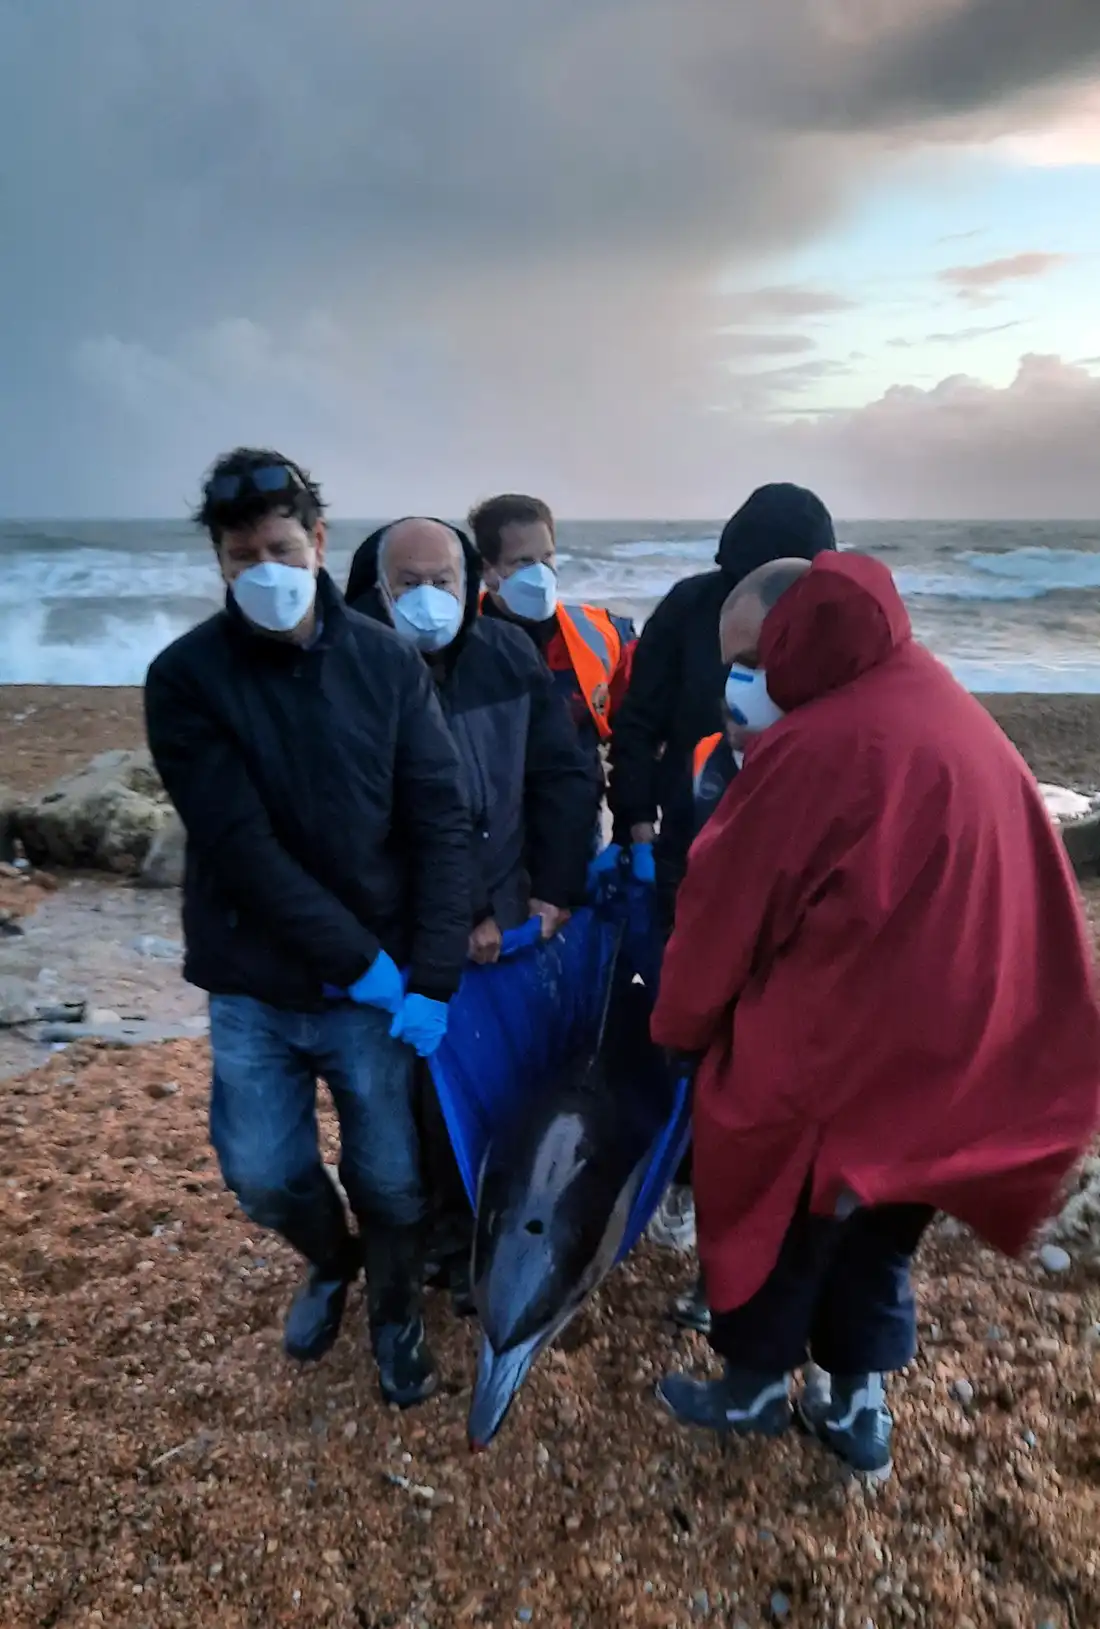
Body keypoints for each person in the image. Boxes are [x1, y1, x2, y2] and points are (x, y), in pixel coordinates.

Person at [652, 551, 1100, 1479]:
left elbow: (721, 917)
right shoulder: (936, 695)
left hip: (837, 1064)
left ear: (795, 644)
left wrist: (679, 1033)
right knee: (881, 1239)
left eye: (751, 658)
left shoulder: (814, 750)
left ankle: (753, 1390)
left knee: (776, 1226)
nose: (739, 680)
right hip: (952, 1066)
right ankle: (858, 1407)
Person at [144, 449, 473, 1410]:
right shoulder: (184, 678)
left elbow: (438, 822)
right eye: (244, 556)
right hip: (256, 981)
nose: (267, 569)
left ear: (321, 542)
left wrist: (433, 977)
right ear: (220, 562)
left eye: (283, 547)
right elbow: (241, 848)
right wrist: (365, 963)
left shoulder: (386, 664)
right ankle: (332, 1261)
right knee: (264, 1170)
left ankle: (396, 1312)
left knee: (390, 1171)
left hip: (376, 993)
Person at [346, 516, 599, 1302]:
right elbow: (361, 826)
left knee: (504, 1085)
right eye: (408, 584)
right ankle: (430, 1236)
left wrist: (550, 891)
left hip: (508, 931)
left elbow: (563, 776)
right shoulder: (351, 673)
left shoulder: (508, 654)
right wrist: (444, 927)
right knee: (411, 1103)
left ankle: (485, 1230)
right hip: (407, 939)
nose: (429, 599)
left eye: (442, 581)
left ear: (471, 583)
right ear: (379, 592)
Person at [611, 483, 838, 1326]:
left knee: (767, 1062)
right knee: (691, 1033)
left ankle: (736, 1244)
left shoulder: (833, 620)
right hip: (689, 844)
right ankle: (678, 1180)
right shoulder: (689, 609)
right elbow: (636, 721)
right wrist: (634, 818)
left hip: (800, 873)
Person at [467, 493, 637, 793]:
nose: (541, 572)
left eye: (547, 557)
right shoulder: (456, 643)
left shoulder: (605, 634)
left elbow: (634, 732)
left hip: (575, 822)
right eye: (524, 561)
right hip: (489, 822)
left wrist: (631, 820)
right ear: (488, 571)